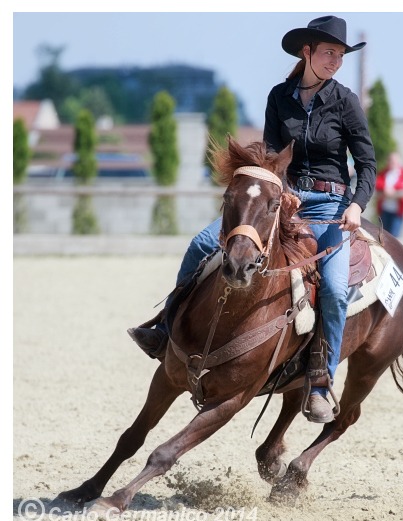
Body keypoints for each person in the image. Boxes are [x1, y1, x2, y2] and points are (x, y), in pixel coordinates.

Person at [129, 15, 376, 424]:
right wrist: (276, 194)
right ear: (307, 52)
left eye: (340, 55)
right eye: (329, 52)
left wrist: (356, 205)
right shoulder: (279, 97)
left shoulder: (346, 101)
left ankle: (319, 383)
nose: (335, 60)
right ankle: (164, 330)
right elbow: (272, 157)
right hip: (281, 199)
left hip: (330, 208)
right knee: (203, 244)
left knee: (332, 288)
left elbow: (367, 163)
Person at [374, 152, 403, 237]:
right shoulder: (384, 173)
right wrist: (385, 189)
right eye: (391, 161)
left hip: (397, 211)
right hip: (384, 210)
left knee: (394, 237)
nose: (393, 163)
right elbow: (377, 183)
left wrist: (393, 190)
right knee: (383, 235)